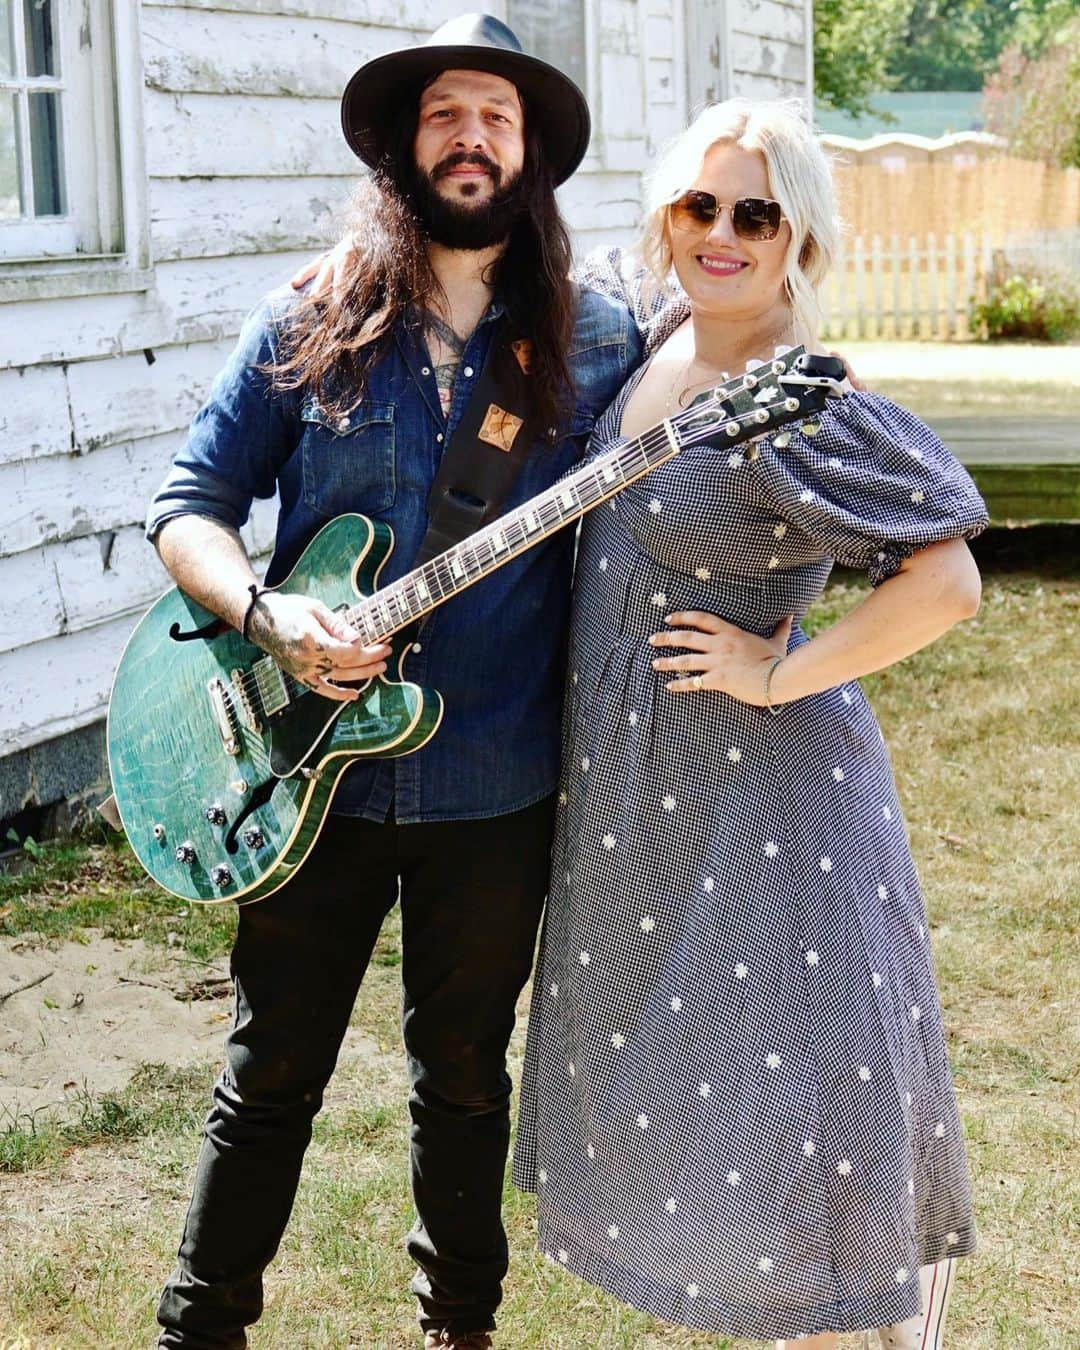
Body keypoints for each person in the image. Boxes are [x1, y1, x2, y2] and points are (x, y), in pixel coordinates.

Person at [144, 15, 642, 1348]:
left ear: (529, 153)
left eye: (497, 115)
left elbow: (672, 502)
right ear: (400, 144)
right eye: (446, 113)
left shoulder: (598, 342)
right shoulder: (307, 318)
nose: (471, 136)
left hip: (494, 775)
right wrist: (265, 609)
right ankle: (200, 1328)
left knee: (466, 1081)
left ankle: (457, 1332)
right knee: (269, 1077)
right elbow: (189, 506)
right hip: (302, 780)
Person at [511, 99, 988, 1350]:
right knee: (705, 1114)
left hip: (770, 817)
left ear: (801, 241)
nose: (721, 233)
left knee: (797, 1139)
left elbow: (946, 582)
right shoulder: (666, 335)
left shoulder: (803, 405)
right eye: (699, 206)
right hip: (647, 809)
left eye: (756, 214)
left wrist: (782, 675)